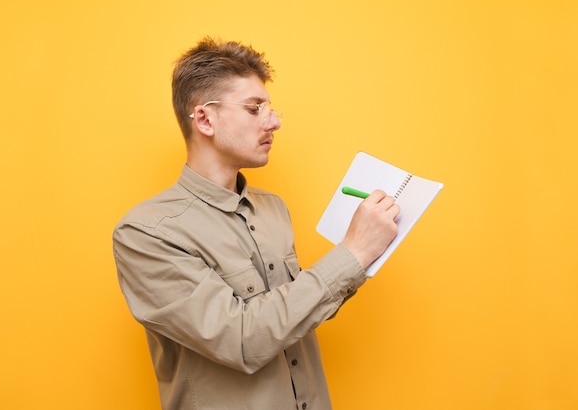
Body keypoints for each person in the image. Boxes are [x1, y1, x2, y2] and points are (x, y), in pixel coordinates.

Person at [112, 36, 400, 410]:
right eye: (254, 109)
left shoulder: (273, 209)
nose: (274, 121)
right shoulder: (145, 233)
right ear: (204, 119)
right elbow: (242, 340)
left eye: (270, 109)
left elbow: (293, 314)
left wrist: (362, 253)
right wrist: (354, 252)